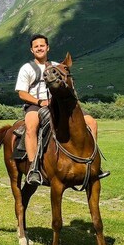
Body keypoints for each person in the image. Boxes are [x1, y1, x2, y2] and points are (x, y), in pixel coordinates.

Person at [15, 34, 107, 185]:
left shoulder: (57, 65)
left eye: (42, 45)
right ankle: (34, 169)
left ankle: (93, 163)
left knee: (91, 122)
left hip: (60, 104)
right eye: (36, 46)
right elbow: (21, 93)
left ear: (47, 47)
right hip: (35, 105)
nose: (39, 48)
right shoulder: (27, 68)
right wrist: (40, 101)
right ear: (32, 50)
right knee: (31, 126)